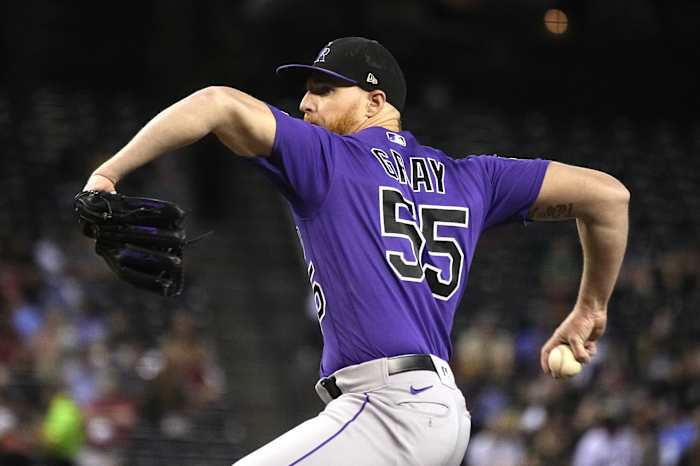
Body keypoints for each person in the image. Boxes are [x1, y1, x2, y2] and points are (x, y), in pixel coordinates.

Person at [81, 37, 630, 465]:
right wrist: (591, 307)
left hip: (389, 410)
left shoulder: (330, 159)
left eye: (324, 89)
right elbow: (608, 197)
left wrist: (109, 173)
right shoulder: (474, 178)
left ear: (375, 101)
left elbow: (216, 103)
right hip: (437, 414)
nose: (304, 102)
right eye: (307, 89)